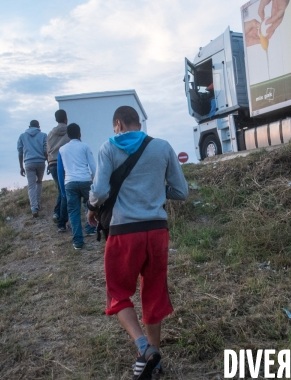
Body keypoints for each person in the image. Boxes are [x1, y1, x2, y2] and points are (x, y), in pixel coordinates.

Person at [86, 106, 188, 380]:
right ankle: (152, 361)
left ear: (117, 123)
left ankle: (143, 347)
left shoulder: (108, 148)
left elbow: (100, 190)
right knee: (153, 293)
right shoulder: (163, 147)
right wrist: (154, 188)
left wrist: (91, 208)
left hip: (124, 232)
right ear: (140, 123)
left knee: (118, 294)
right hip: (156, 231)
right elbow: (181, 191)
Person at [57, 123, 96, 250]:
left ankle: (78, 241)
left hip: (70, 182)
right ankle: (90, 228)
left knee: (73, 211)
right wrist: (95, 180)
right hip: (85, 180)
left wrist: (62, 189)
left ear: (68, 135)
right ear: (80, 133)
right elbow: (93, 167)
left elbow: (60, 170)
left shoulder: (62, 150)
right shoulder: (85, 147)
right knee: (89, 205)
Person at [17, 120, 47, 218]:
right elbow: (45, 150)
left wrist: (21, 166)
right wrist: (49, 162)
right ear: (39, 126)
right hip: (40, 162)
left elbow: (20, 152)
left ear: (29, 126)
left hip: (29, 163)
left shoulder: (22, 136)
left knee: (31, 186)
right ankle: (38, 203)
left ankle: (34, 207)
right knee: (39, 182)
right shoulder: (43, 135)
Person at [47, 109, 70, 232]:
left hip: (52, 164)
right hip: (64, 164)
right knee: (65, 192)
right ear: (66, 118)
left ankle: (56, 213)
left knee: (61, 190)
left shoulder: (50, 133)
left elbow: (47, 150)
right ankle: (61, 222)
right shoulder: (69, 131)